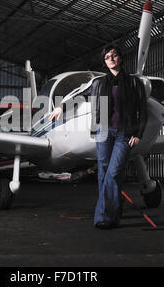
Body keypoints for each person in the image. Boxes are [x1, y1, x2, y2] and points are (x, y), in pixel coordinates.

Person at [50, 44, 148, 229]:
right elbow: (78, 96)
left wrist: (138, 134)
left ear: (120, 58)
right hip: (103, 132)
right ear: (105, 62)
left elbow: (143, 111)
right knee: (104, 174)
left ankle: (103, 217)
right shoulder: (98, 83)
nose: (111, 58)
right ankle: (115, 211)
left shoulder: (135, 83)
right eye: (107, 57)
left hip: (124, 134)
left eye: (114, 55)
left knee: (114, 172)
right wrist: (60, 107)